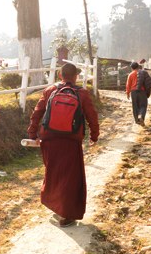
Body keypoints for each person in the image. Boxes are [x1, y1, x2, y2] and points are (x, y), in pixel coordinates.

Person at [27, 63, 100, 228]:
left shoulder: (50, 90)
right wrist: (94, 136)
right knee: (70, 178)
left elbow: (37, 112)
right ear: (76, 77)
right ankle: (67, 214)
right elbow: (92, 116)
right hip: (71, 141)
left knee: (54, 173)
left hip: (49, 140)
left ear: (60, 76)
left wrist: (33, 133)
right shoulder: (81, 94)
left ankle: (55, 205)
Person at [126, 61, 151, 127]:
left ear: (132, 68)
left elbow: (128, 85)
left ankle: (137, 120)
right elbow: (148, 82)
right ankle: (141, 116)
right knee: (143, 105)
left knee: (135, 106)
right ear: (138, 66)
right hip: (142, 92)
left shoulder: (130, 75)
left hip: (133, 92)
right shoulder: (143, 73)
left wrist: (128, 93)